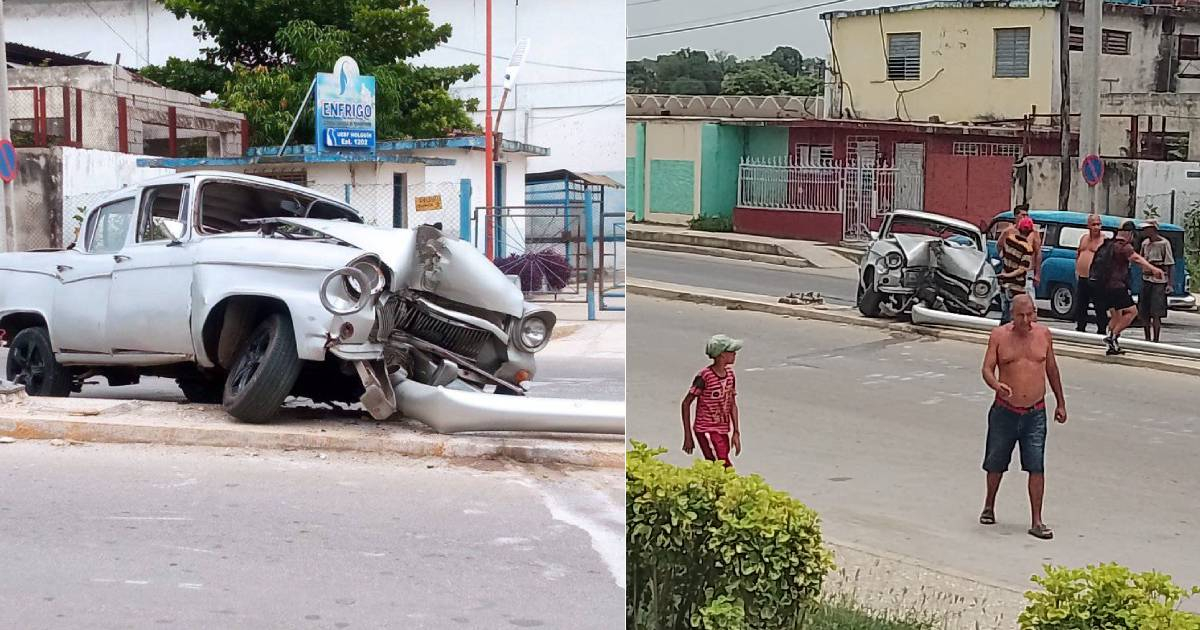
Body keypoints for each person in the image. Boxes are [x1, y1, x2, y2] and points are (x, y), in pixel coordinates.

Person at [979, 294, 1067, 540]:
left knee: (1036, 465)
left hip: (1035, 412)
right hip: (1004, 411)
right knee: (996, 461)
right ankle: (989, 505)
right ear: (1011, 315)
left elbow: (1051, 368)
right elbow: (986, 368)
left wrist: (1060, 402)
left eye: (1030, 314)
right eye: (1021, 315)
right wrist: (997, 385)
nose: (1026, 320)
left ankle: (1037, 520)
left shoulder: (1044, 335)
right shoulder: (999, 336)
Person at [1091, 221, 1163, 355]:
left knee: (1116, 316)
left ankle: (1112, 347)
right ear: (1130, 234)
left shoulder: (1109, 244)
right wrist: (1154, 269)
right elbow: (1136, 259)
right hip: (1117, 286)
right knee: (1132, 312)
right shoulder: (1124, 246)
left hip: (1103, 285)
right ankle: (1112, 337)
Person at [681, 334, 742, 469]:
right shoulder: (704, 377)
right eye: (731, 351)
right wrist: (688, 435)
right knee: (722, 465)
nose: (735, 354)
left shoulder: (730, 375)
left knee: (718, 464)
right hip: (706, 429)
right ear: (721, 355)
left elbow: (732, 403)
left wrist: (736, 432)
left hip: (723, 429)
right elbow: (686, 403)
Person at [1138, 220, 1174, 343]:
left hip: (1159, 280)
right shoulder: (1145, 243)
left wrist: (1169, 283)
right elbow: (1141, 259)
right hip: (1146, 278)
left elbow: (1169, 264)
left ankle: (1156, 339)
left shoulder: (1164, 243)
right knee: (1144, 310)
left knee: (1156, 312)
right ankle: (1147, 337)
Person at [1072, 214, 1109, 334]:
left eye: (1098, 224)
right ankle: (1080, 327)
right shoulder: (1083, 238)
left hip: (1096, 278)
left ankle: (1102, 330)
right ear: (1088, 225)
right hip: (1082, 277)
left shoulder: (1104, 240)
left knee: (1100, 306)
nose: (1096, 227)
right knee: (1081, 305)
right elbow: (1078, 253)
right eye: (1093, 224)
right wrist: (1077, 268)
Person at [998, 217, 1036, 325]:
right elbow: (1022, 269)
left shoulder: (1009, 239)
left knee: (1004, 314)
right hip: (1016, 286)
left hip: (1004, 283)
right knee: (1014, 317)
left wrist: (1004, 275)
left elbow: (1002, 254)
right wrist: (1009, 275)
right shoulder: (1027, 248)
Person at [999, 204, 1042, 294]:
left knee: (1027, 300)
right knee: (1008, 297)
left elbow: (1038, 253)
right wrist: (1005, 258)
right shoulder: (1008, 231)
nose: (1025, 217)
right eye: (1023, 215)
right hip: (1009, 271)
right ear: (1015, 216)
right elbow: (999, 245)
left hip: (1027, 272)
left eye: (1027, 215)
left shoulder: (1034, 233)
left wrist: (1037, 274)